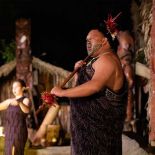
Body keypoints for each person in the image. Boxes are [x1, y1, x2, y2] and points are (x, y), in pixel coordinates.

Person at [50, 20, 128, 155]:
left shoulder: (108, 59)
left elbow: (95, 86)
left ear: (104, 41)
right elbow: (83, 90)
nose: (87, 42)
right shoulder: (96, 61)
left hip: (99, 138)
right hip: (86, 136)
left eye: (91, 39)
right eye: (86, 40)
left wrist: (63, 93)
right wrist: (78, 74)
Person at [0, 79, 31, 155]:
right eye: (13, 87)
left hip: (18, 131)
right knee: (8, 152)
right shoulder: (9, 101)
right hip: (9, 131)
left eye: (16, 87)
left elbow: (26, 110)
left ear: (23, 88)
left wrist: (19, 103)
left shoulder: (25, 100)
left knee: (15, 152)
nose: (14, 89)